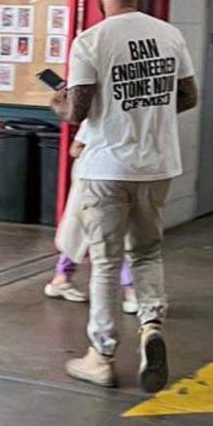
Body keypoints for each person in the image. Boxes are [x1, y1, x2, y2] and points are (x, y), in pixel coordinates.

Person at [51, 0, 198, 394]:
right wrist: (145, 111)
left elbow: (76, 111)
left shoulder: (91, 40)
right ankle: (151, 325)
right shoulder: (169, 34)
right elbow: (188, 97)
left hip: (106, 167)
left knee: (106, 261)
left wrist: (57, 103)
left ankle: (102, 356)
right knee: (147, 253)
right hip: (157, 166)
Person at [45, 133, 138, 312]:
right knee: (106, 231)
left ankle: (62, 277)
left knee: (87, 230)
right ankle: (130, 289)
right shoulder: (96, 122)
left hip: (107, 178)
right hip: (95, 180)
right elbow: (75, 149)